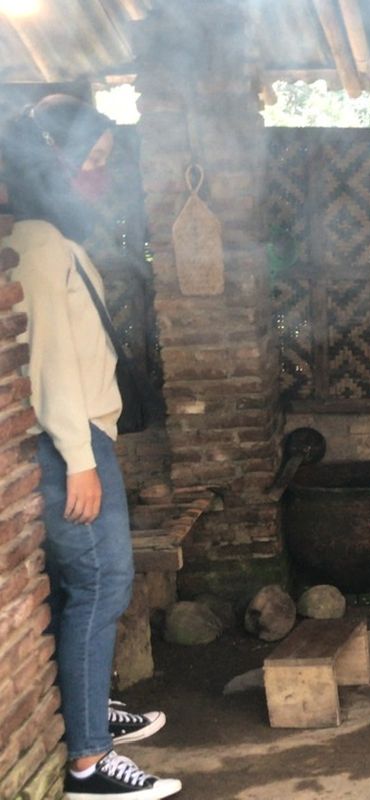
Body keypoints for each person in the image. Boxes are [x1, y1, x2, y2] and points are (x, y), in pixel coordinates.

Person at [1, 95, 180, 799]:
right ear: (52, 156)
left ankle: (88, 706)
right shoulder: (39, 241)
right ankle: (90, 764)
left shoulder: (51, 234)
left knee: (91, 587)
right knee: (104, 583)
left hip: (83, 438)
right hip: (69, 445)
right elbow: (48, 361)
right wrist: (79, 457)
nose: (100, 172)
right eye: (93, 159)